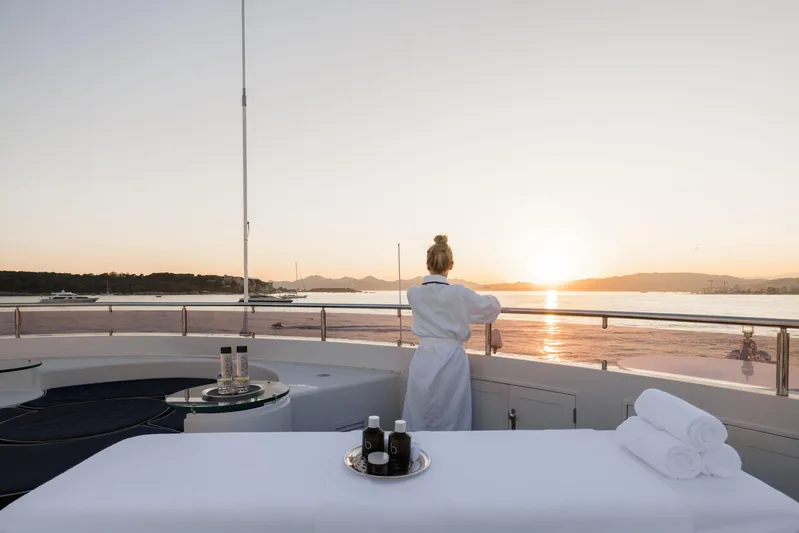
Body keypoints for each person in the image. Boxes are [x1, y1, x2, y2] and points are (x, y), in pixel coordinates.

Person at [402, 235, 501, 431]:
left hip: (423, 358)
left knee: (419, 411)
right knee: (451, 416)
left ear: (427, 264)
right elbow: (492, 308)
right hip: (451, 360)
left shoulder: (413, 293)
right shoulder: (459, 294)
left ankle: (416, 454)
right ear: (451, 264)